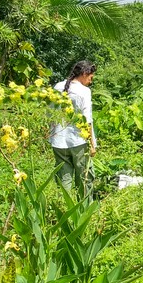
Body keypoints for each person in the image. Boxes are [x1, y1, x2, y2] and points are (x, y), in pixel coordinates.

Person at [49, 60, 98, 199]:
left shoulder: (57, 86)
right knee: (85, 177)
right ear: (84, 73)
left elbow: (50, 113)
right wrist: (92, 145)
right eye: (90, 77)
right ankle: (85, 210)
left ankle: (64, 207)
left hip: (58, 141)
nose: (90, 81)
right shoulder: (84, 91)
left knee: (64, 178)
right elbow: (87, 120)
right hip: (78, 141)